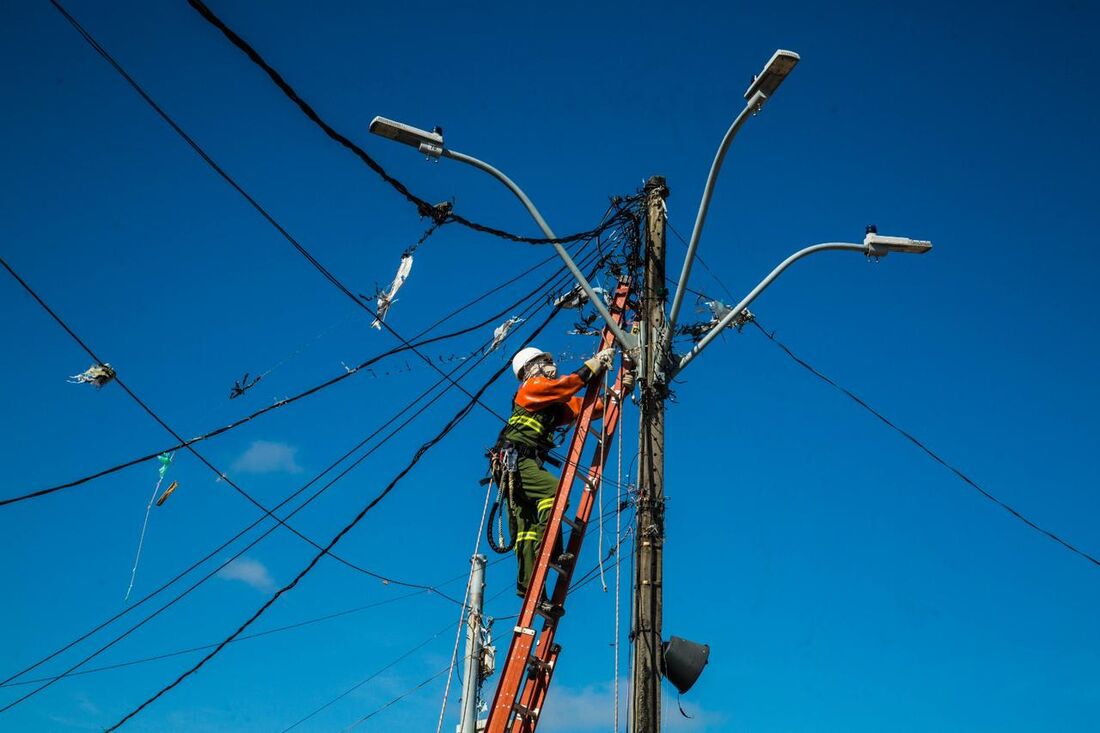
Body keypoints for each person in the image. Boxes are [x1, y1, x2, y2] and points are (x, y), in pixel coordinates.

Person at [493, 345, 633, 615]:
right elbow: (566, 387)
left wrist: (620, 391)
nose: (551, 366)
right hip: (516, 462)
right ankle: (552, 552)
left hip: (519, 466)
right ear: (531, 368)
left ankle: (533, 592)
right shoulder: (530, 389)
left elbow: (587, 407)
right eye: (546, 361)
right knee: (554, 494)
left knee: (526, 530)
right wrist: (592, 366)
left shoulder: (550, 404)